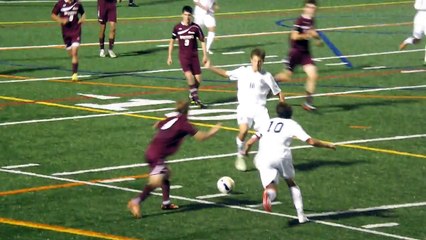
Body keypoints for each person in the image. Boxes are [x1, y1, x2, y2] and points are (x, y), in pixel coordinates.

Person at [243, 102, 335, 223]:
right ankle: (301, 216)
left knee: (271, 187)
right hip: (281, 155)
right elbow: (311, 141)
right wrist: (328, 145)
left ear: (277, 112)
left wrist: (246, 151)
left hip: (264, 156)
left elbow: (250, 142)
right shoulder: (292, 124)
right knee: (291, 183)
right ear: (291, 113)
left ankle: (269, 196)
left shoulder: (268, 122)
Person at [127, 100, 221, 218]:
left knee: (166, 173)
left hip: (151, 151)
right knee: (155, 181)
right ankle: (135, 202)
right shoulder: (184, 124)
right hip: (157, 155)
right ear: (187, 111)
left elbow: (157, 124)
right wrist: (213, 131)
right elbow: (201, 137)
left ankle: (166, 203)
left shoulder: (171, 119)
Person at [205, 48, 285, 172]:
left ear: (263, 61)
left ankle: (259, 154)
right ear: (250, 60)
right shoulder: (243, 71)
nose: (256, 64)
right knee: (244, 130)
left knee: (268, 134)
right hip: (244, 108)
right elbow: (226, 73)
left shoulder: (267, 76)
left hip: (260, 110)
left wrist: (283, 105)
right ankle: (240, 154)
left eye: (259, 62)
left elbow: (278, 92)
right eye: (254, 61)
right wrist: (210, 67)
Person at [274, 0, 323, 111]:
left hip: (305, 53)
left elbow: (312, 31)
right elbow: (294, 36)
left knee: (313, 75)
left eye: (313, 8)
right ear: (305, 8)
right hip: (296, 52)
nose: (311, 10)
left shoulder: (311, 20)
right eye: (309, 7)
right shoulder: (300, 21)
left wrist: (317, 38)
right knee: (286, 77)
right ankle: (270, 81)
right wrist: (306, 35)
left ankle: (308, 103)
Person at [167, 6, 209, 109]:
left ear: (192, 16)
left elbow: (202, 40)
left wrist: (205, 55)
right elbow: (172, 41)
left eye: (189, 15)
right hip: (183, 57)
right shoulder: (177, 28)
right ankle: (196, 98)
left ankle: (192, 94)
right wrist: (169, 56)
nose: (187, 17)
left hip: (194, 57)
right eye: (185, 15)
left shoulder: (195, 27)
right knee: (189, 76)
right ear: (182, 15)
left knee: (198, 79)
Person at [51, 0, 86, 82]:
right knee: (71, 54)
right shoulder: (60, 4)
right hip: (66, 33)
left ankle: (74, 74)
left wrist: (82, 18)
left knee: (74, 53)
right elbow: (53, 15)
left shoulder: (77, 3)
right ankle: (74, 66)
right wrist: (61, 20)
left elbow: (83, 13)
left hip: (76, 31)